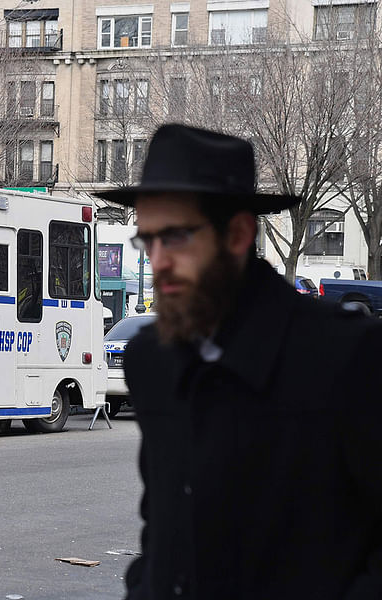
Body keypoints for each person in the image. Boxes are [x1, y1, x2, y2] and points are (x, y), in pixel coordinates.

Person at [97, 124, 382, 599]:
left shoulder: (347, 355)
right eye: (148, 240)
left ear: (238, 234)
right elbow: (164, 521)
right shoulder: (152, 362)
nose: (158, 261)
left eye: (177, 237)